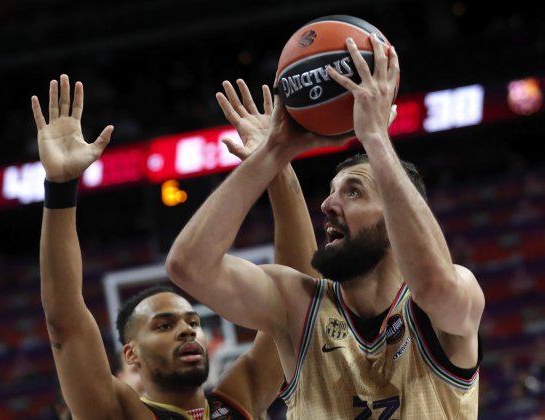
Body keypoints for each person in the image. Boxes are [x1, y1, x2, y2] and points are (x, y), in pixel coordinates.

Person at [166, 34, 485, 418]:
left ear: (395, 217)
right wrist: (273, 153)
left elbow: (434, 285)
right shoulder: (297, 304)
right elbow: (189, 266)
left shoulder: (449, 298)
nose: (328, 204)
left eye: (353, 193)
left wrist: (376, 139)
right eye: (332, 193)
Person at [33, 73, 318, 420]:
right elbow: (65, 322)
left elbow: (298, 294)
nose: (187, 330)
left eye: (192, 322)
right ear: (131, 355)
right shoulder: (120, 413)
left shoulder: (238, 401)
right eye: (163, 325)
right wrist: (61, 186)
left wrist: (278, 163)